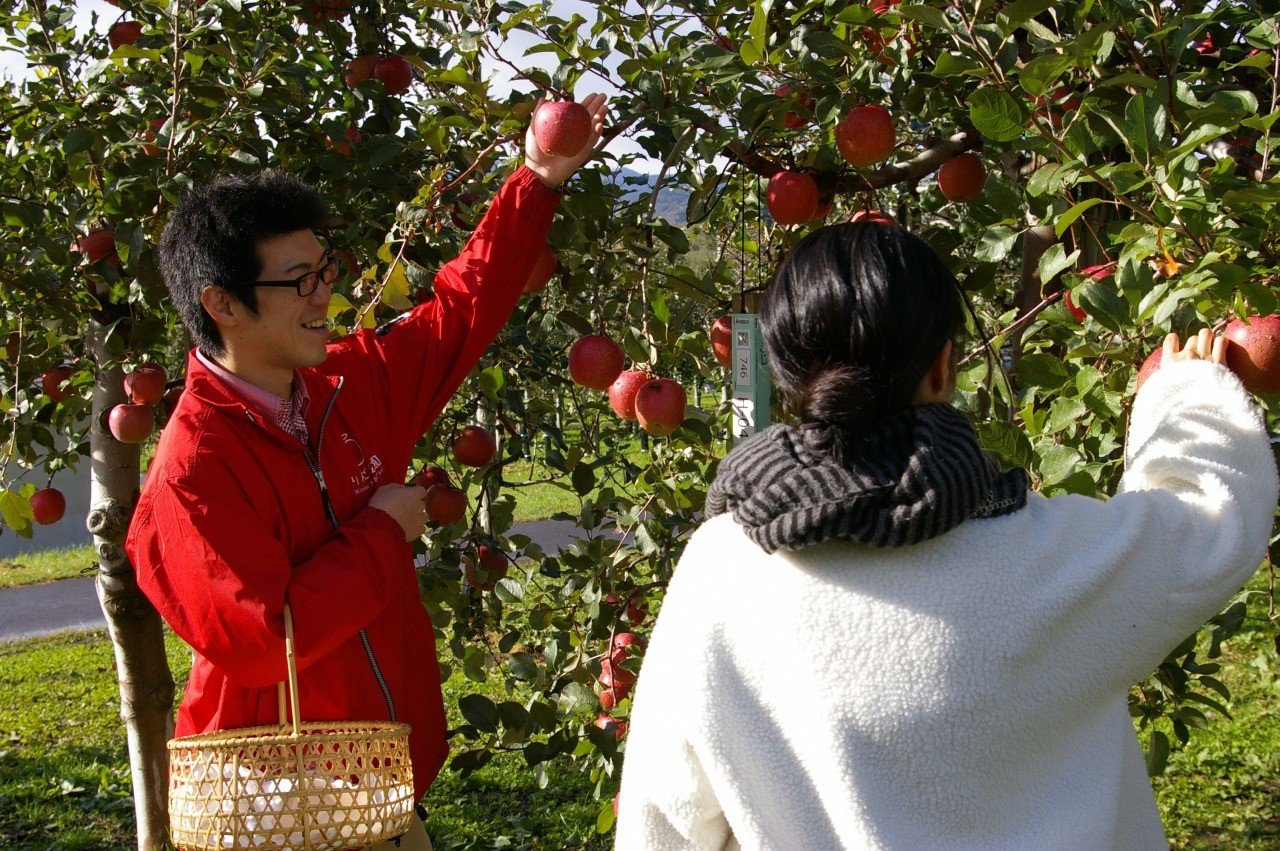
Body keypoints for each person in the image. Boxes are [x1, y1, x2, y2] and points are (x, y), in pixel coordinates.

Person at [615, 223, 1278, 850]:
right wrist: (1188, 394)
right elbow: (1208, 522)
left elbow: (663, 821)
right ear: (942, 365)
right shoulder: (1059, 560)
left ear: (788, 376)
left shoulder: (723, 574)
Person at [125, 95, 607, 849]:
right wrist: (384, 528)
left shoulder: (350, 388)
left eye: (325, 270)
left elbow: (459, 309)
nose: (324, 294)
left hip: (375, 789)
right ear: (221, 302)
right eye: (299, 281)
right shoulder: (193, 469)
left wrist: (537, 179)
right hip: (270, 802)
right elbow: (265, 635)